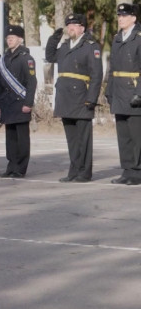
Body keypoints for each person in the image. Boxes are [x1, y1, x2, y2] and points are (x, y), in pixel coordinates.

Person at [45, 13, 104, 183]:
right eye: (68, 25)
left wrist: (91, 99)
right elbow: (50, 56)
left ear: (82, 28)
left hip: (81, 98)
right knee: (71, 139)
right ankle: (74, 171)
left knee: (83, 139)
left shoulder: (90, 46)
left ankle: (84, 173)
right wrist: (54, 38)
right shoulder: (64, 46)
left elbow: (96, 75)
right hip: (65, 98)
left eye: (74, 25)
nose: (70, 27)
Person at [0, 24, 37, 178]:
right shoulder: (3, 59)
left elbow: (31, 82)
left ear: (20, 39)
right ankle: (11, 166)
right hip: (7, 104)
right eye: (8, 38)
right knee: (10, 139)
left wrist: (28, 103)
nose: (9, 40)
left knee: (22, 139)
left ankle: (20, 168)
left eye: (12, 38)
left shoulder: (26, 58)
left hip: (20, 104)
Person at [106, 3, 141, 185]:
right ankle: (127, 171)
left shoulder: (139, 38)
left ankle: (137, 172)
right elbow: (113, 68)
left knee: (137, 136)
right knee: (124, 136)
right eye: (119, 15)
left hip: (134, 92)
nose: (120, 18)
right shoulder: (117, 38)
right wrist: (108, 89)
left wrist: (139, 92)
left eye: (124, 15)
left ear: (133, 18)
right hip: (119, 92)